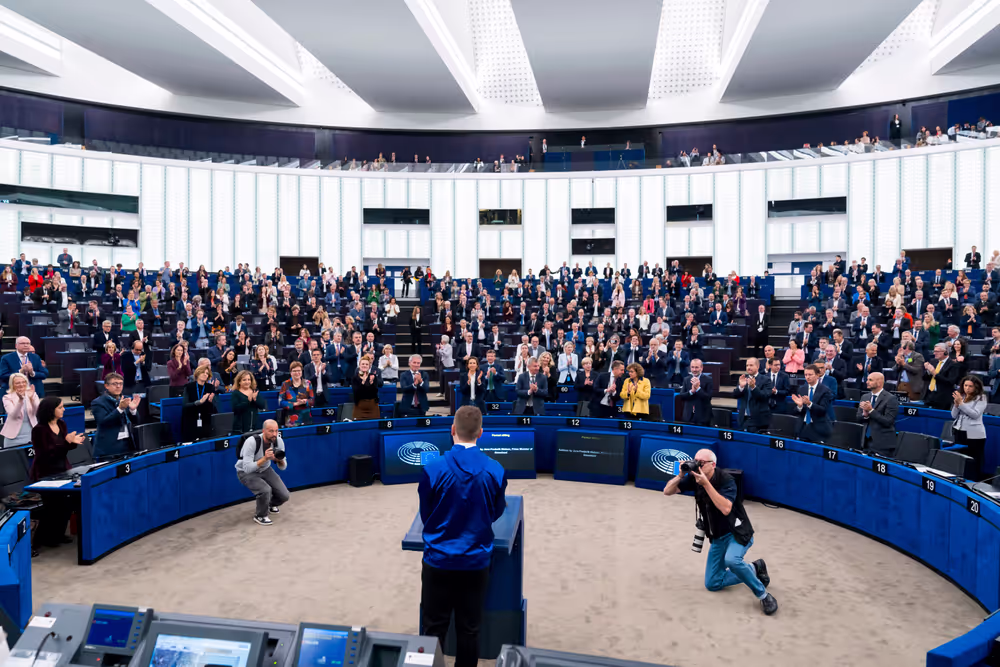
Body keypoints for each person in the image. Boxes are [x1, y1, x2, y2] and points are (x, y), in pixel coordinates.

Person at [417, 406, 507, 667]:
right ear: (481, 433)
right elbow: (496, 511)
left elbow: (427, 513)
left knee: (433, 629)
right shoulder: (496, 470)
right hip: (476, 563)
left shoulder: (433, 468)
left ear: (452, 430)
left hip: (438, 562)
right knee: (470, 629)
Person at [663, 449, 777, 615]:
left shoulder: (726, 480)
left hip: (737, 532)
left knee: (732, 561)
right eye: (695, 461)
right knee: (712, 583)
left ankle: (763, 595)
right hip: (717, 536)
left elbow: (725, 508)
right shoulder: (695, 478)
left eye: (701, 463)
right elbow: (667, 491)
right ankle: (754, 567)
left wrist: (706, 484)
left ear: (713, 465)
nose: (697, 465)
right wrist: (681, 475)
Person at [29, 396, 85, 553]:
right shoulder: (39, 429)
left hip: (62, 468)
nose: (64, 409)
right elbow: (46, 453)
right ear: (50, 410)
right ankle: (40, 541)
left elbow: (64, 449)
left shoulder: (61, 424)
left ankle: (57, 536)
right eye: (60, 407)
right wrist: (67, 443)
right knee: (51, 507)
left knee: (66, 505)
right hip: (45, 471)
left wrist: (73, 443)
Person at [236, 419, 290, 526]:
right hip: (245, 472)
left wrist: (278, 459)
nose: (274, 434)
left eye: (276, 431)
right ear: (263, 431)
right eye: (271, 431)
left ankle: (269, 504)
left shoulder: (278, 441)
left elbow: (283, 467)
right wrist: (265, 458)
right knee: (265, 490)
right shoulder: (251, 442)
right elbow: (247, 468)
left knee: (284, 495)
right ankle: (260, 515)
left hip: (265, 469)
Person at [91, 373, 141, 459]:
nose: (118, 386)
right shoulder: (98, 403)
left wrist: (133, 410)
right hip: (109, 448)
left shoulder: (125, 399)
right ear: (106, 386)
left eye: (120, 383)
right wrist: (120, 409)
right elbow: (103, 422)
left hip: (127, 445)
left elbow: (136, 422)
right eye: (115, 384)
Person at [951, 376, 987, 479]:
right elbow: (953, 415)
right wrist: (956, 404)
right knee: (961, 458)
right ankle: (961, 478)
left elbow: (975, 414)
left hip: (975, 434)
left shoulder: (981, 398)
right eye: (965, 385)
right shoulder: (961, 396)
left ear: (976, 387)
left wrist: (961, 403)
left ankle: (973, 480)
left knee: (973, 460)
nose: (967, 388)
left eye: (970, 386)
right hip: (959, 431)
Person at [857, 372, 898, 456]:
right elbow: (858, 418)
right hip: (865, 442)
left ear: (879, 383)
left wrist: (871, 411)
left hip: (882, 444)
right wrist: (865, 415)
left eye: (870, 380)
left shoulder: (891, 398)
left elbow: (888, 421)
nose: (867, 382)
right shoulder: (864, 397)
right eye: (867, 379)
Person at [791, 364, 833, 443]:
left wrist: (810, 404)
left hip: (818, 428)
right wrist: (799, 406)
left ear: (817, 375)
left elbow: (823, 410)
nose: (807, 377)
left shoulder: (825, 390)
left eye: (810, 374)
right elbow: (795, 411)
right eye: (806, 375)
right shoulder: (801, 389)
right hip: (803, 427)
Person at [732, 358, 772, 432]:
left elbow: (765, 396)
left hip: (758, 420)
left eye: (751, 365)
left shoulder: (766, 380)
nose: (748, 367)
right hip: (743, 419)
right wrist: (741, 387)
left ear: (758, 366)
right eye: (747, 365)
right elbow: (735, 395)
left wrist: (754, 387)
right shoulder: (743, 379)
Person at [1, 373, 39, 447]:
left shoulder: (33, 394)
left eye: (23, 382)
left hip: (32, 435)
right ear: (12, 385)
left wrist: (32, 400)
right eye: (18, 383)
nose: (21, 384)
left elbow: (37, 411)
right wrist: (20, 401)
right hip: (13, 438)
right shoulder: (7, 397)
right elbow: (14, 415)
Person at [182, 365, 217, 441]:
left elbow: (215, 409)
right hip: (191, 419)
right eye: (203, 372)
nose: (205, 374)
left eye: (207, 373)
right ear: (197, 374)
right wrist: (199, 402)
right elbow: (185, 405)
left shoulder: (210, 387)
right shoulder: (189, 387)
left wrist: (211, 402)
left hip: (206, 419)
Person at [924, 343, 961, 410]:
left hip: (942, 397)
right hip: (929, 395)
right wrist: (928, 371)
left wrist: (934, 373)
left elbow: (950, 381)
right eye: (934, 351)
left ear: (946, 352)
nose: (934, 353)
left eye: (937, 351)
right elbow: (924, 378)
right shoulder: (933, 361)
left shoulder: (953, 365)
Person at [678, 359, 714, 425]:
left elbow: (708, 398)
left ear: (701, 368)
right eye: (692, 367)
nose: (694, 370)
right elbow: (681, 396)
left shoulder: (708, 380)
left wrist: (698, 389)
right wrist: (691, 391)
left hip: (703, 417)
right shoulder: (686, 379)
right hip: (688, 417)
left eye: (696, 367)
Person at [279, 361, 315, 426]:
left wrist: (305, 401)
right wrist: (294, 404)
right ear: (291, 372)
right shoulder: (285, 384)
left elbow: (312, 400)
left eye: (299, 371)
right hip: (291, 421)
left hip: (306, 419)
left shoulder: (308, 383)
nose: (297, 373)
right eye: (294, 371)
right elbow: (281, 402)